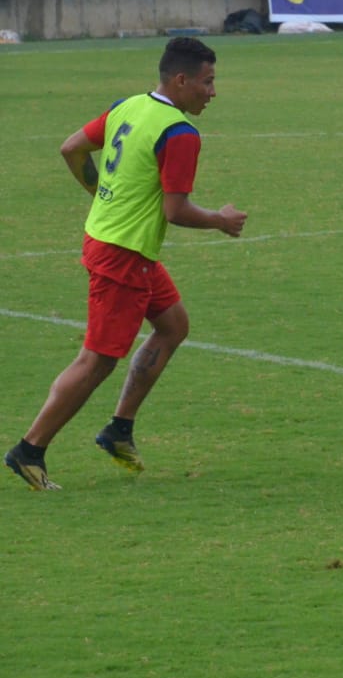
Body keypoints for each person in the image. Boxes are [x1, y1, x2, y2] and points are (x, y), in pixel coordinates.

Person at [4, 37, 247, 492]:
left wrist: (101, 194)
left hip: (111, 241)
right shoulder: (179, 133)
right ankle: (29, 450)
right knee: (97, 360)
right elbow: (176, 211)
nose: (212, 92)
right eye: (207, 82)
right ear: (181, 80)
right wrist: (221, 221)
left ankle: (118, 430)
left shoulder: (129, 105)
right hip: (124, 255)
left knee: (173, 325)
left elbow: (71, 149)